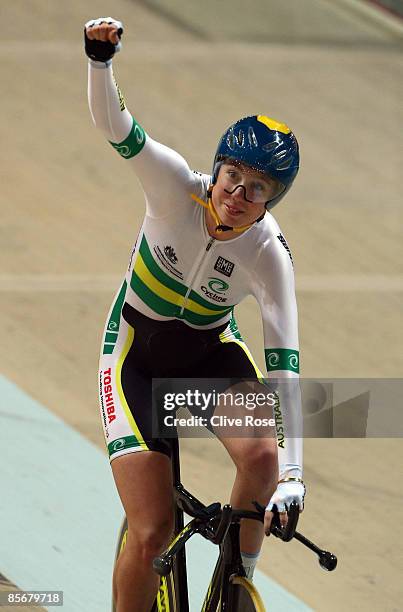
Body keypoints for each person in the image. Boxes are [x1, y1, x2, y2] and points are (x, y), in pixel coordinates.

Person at [85, 17, 305, 612]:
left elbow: (285, 365)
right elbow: (117, 127)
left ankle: (239, 584)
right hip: (136, 357)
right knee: (152, 532)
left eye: (257, 189)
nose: (237, 194)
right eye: (234, 175)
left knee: (263, 455)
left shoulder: (268, 254)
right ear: (219, 167)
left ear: (272, 199)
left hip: (206, 356)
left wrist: (293, 477)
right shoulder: (172, 186)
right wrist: (100, 62)